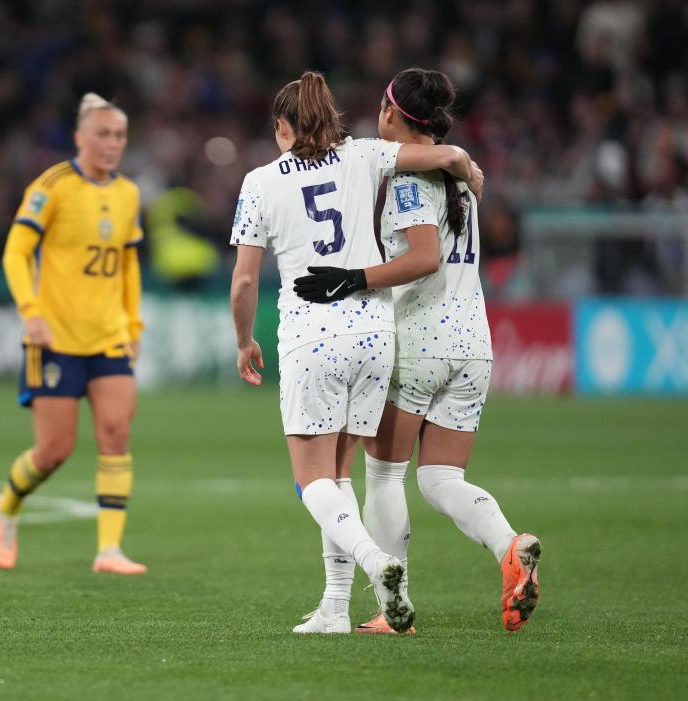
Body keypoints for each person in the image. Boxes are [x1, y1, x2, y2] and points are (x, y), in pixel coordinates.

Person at [230, 71, 480, 634]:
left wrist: (244, 341)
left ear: (283, 127)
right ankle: (335, 608)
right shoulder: (366, 155)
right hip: (374, 335)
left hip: (311, 337)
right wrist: (465, 162)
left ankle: (375, 561)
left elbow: (244, 282)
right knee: (340, 476)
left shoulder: (259, 182)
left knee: (311, 481)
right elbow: (436, 154)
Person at [294, 68, 541, 633]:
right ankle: (510, 546)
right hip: (474, 345)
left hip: (419, 343)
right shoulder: (460, 174)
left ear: (390, 114)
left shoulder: (410, 181)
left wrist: (353, 278)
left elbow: (424, 257)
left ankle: (392, 606)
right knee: (440, 479)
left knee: (384, 478)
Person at [0, 93, 147, 576]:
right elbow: (15, 253)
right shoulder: (51, 186)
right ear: (80, 137)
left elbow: (126, 262)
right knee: (54, 451)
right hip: (54, 339)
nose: (111, 143)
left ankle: (109, 550)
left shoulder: (128, 194)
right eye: (102, 133)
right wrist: (30, 312)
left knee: (116, 435)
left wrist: (132, 322)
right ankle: (6, 506)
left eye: (119, 135)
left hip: (108, 337)